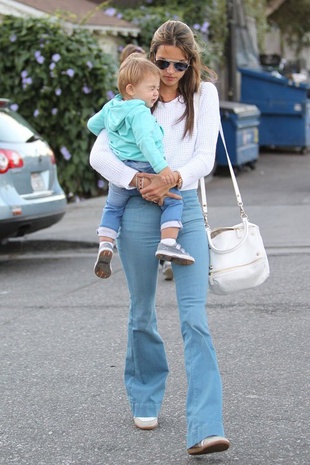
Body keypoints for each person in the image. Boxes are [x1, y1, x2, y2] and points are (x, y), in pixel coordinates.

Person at [89, 20, 230, 456]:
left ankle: (206, 427)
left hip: (182, 207)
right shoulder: (134, 94)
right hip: (137, 207)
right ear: (153, 57)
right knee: (142, 310)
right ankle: (146, 395)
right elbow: (99, 152)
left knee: (194, 318)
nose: (169, 72)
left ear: (191, 62)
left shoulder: (203, 94)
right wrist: (138, 179)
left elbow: (205, 156)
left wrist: (169, 177)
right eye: (163, 62)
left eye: (178, 64)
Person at [88, 54, 195, 278]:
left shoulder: (112, 106)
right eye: (151, 88)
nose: (156, 93)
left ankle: (106, 244)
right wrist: (163, 169)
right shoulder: (141, 113)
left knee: (112, 208)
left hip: (122, 170)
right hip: (146, 167)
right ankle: (168, 242)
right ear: (131, 89)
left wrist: (116, 136)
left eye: (157, 88)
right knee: (173, 201)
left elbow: (92, 125)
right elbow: (146, 143)